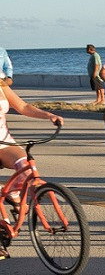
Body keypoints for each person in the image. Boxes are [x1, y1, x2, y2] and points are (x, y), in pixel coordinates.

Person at [0, 82, 62, 260]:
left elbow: (22, 106)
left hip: (5, 143)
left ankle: (13, 194)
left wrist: (48, 115)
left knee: (26, 166)